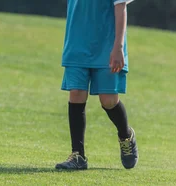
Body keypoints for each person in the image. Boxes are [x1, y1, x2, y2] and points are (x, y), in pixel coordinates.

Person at [55, 0, 138, 170]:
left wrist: (118, 46)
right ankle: (78, 155)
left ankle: (126, 135)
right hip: (77, 42)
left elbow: (120, 6)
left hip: (108, 45)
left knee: (108, 100)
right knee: (76, 93)